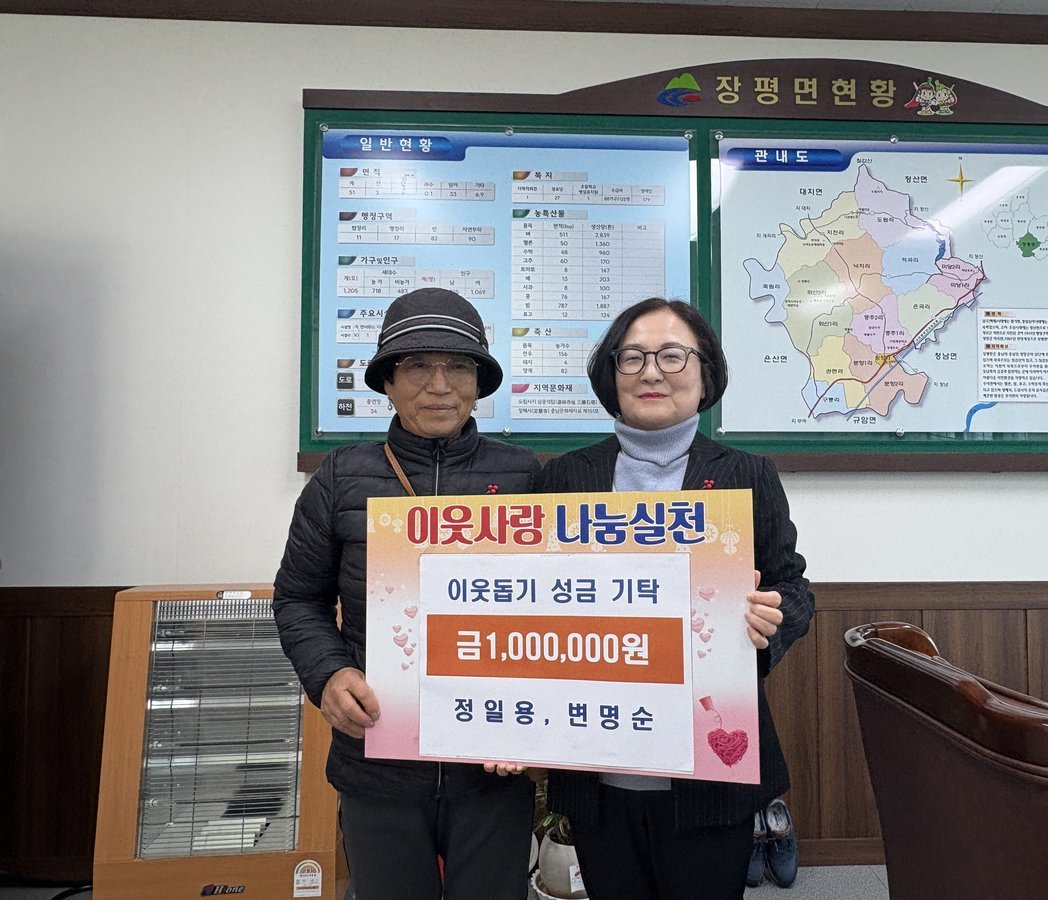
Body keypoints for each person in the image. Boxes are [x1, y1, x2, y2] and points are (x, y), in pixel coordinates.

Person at [534, 297, 815, 900]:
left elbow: (793, 587)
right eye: (632, 357)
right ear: (611, 374)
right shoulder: (563, 479)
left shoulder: (748, 474)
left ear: (705, 371)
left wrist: (773, 617)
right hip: (597, 765)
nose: (651, 372)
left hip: (709, 770)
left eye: (671, 355)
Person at [273, 288, 540, 900]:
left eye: (459, 366)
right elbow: (298, 599)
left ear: (480, 383)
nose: (439, 385)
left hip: (494, 760)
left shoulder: (526, 476)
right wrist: (329, 674)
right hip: (377, 756)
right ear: (387, 383)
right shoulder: (341, 477)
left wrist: (536, 718)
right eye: (417, 366)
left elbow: (560, 610)